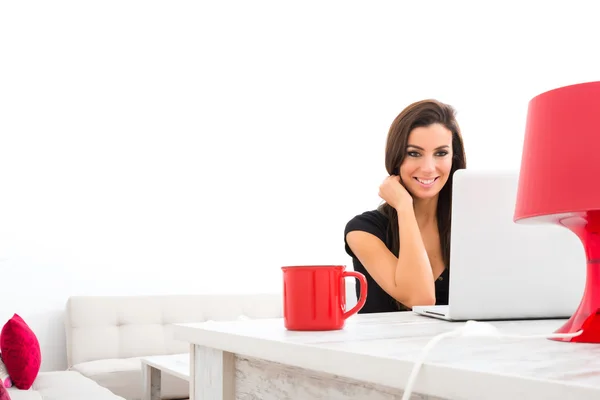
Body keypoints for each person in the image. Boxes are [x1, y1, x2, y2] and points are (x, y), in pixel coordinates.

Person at [344, 99, 467, 313]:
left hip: (460, 345)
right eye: (414, 153)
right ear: (396, 157)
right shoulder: (363, 231)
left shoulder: (469, 227)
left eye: (441, 153)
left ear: (453, 158)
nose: (428, 168)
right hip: (382, 347)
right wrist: (404, 207)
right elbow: (420, 299)